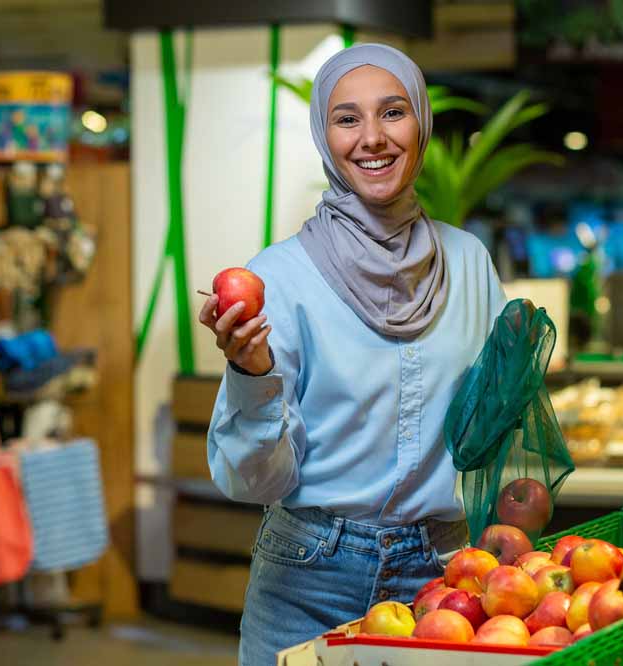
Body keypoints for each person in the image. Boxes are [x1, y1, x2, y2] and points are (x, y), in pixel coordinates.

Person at [199, 43, 507, 665]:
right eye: (347, 119)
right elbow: (253, 481)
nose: (372, 138)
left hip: (445, 579)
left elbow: (499, 420)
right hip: (309, 574)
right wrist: (250, 373)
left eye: (393, 113)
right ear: (325, 135)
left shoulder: (469, 263)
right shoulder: (279, 277)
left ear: (421, 124)